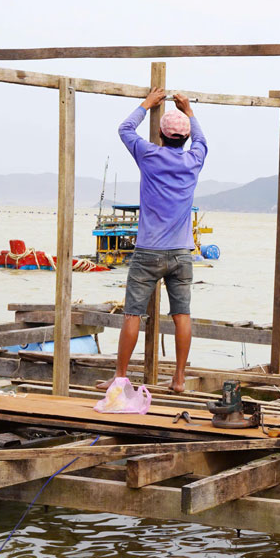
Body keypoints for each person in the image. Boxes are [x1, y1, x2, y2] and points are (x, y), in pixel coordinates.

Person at [100, 88, 207, 393]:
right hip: (181, 252)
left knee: (133, 313)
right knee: (182, 315)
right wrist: (189, 111)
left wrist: (146, 104)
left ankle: (120, 378)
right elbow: (201, 140)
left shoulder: (148, 155)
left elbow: (125, 129)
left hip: (148, 251)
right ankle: (179, 379)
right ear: (185, 138)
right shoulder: (194, 160)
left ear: (160, 135)